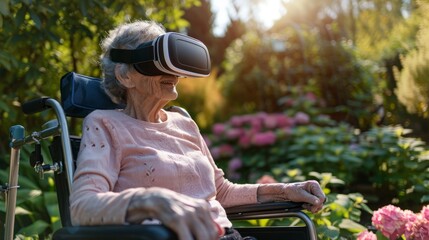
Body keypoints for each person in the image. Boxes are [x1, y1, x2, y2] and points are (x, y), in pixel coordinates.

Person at [69, 20, 326, 240]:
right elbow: (82, 206)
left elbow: (221, 192)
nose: (172, 71)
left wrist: (283, 190)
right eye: (157, 60)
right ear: (125, 76)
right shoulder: (104, 123)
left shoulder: (183, 121)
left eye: (173, 61)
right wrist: (151, 202)